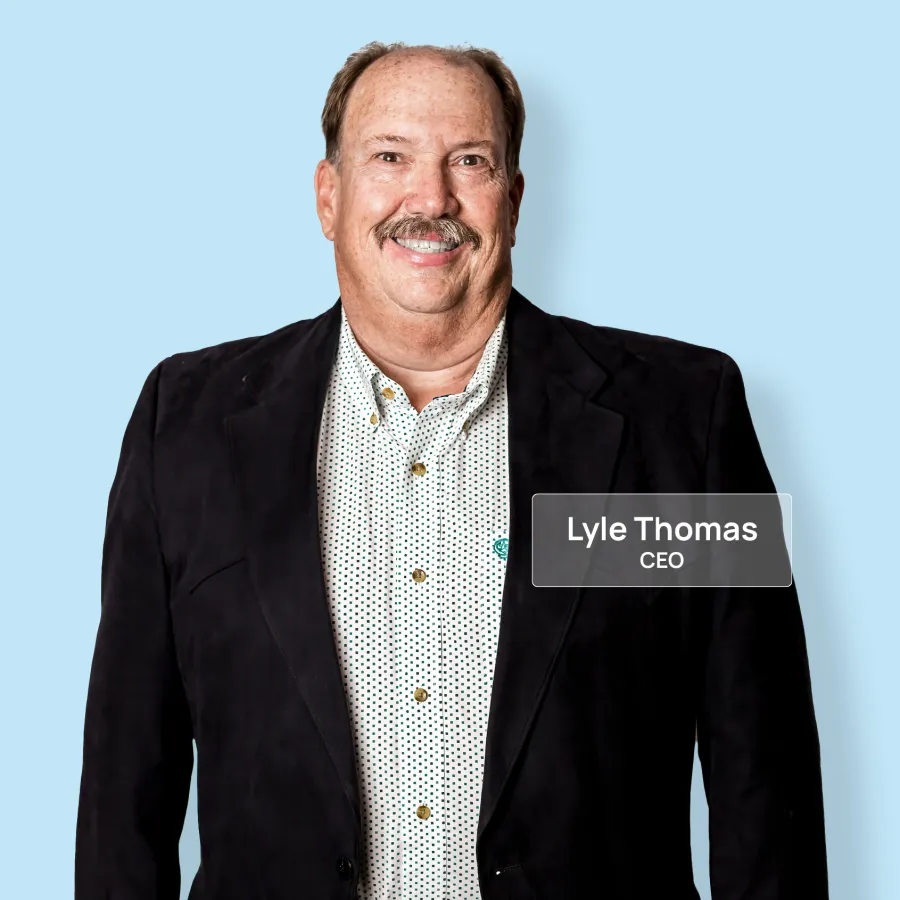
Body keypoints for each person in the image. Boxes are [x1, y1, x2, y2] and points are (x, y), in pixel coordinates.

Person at [75, 40, 828, 900]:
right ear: (328, 196)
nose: (429, 198)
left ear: (511, 198)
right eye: (389, 156)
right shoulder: (187, 423)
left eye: (468, 161)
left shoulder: (684, 422)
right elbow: (123, 791)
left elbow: (763, 772)